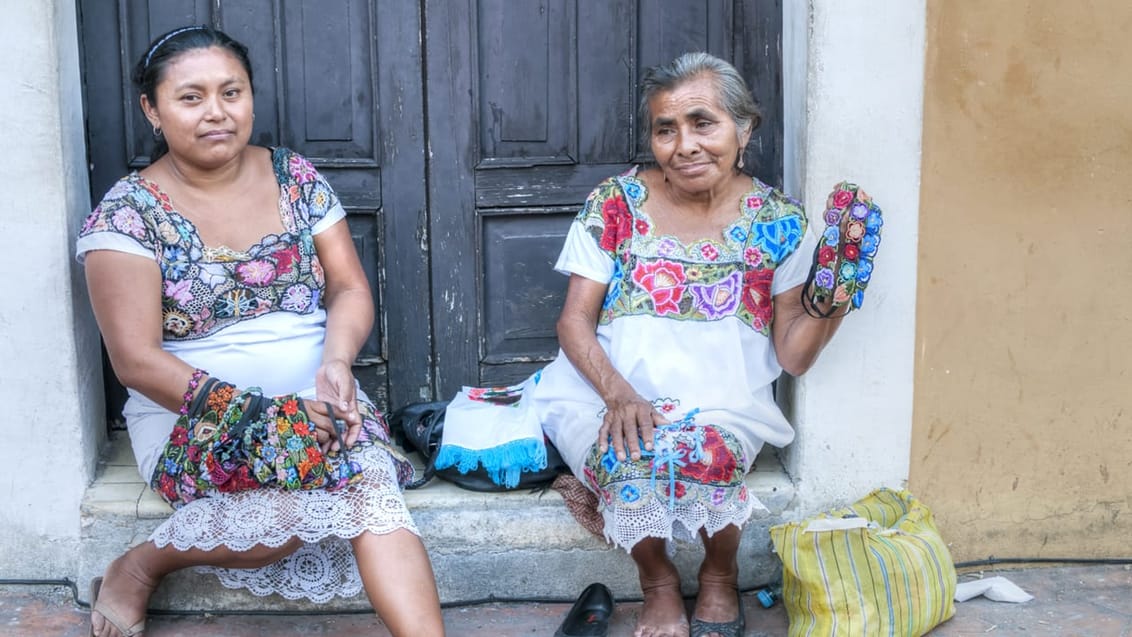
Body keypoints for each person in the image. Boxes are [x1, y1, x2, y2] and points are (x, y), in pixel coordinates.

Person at [449, 52, 858, 637]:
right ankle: (658, 580)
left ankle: (719, 573)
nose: (684, 144)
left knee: (706, 452)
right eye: (666, 129)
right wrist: (618, 393)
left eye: (703, 123)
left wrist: (834, 296)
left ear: (745, 130)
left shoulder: (781, 221)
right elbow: (573, 322)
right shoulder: (615, 203)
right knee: (628, 456)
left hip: (723, 399)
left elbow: (793, 355)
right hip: (605, 389)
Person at [77, 26, 444, 637]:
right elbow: (136, 362)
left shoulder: (295, 177)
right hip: (192, 417)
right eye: (190, 98)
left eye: (231, 92)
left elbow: (348, 289)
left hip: (318, 399)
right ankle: (139, 567)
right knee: (338, 482)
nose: (217, 113)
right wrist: (262, 415)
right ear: (152, 110)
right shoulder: (126, 215)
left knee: (358, 479)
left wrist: (337, 364)